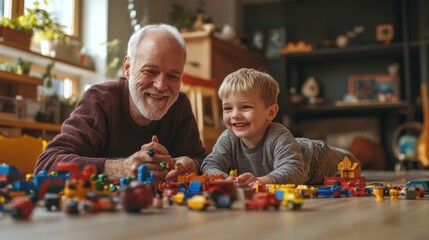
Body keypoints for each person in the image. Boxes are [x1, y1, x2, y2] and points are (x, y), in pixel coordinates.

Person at [35, 23, 207, 182]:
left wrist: (193, 164)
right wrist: (120, 168)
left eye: (173, 76)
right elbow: (47, 163)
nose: (161, 86)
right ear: (128, 68)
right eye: (150, 71)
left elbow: (203, 160)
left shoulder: (180, 105)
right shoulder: (100, 101)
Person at [201, 68, 359, 185]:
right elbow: (209, 164)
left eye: (245, 107)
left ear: (270, 112)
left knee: (351, 163)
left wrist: (259, 181)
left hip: (318, 156)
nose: (235, 115)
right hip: (292, 148)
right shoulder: (228, 138)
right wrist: (223, 178)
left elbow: (294, 172)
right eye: (228, 108)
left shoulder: (277, 135)